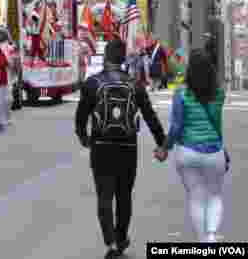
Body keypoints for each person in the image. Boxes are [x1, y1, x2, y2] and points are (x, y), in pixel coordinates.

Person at [75, 38, 167, 258]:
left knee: (104, 195)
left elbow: (80, 116)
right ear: (124, 58)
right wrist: (162, 142)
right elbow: (149, 116)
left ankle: (111, 244)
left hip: (101, 146)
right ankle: (121, 237)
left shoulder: (92, 83)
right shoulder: (135, 85)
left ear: (105, 57)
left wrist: (84, 137)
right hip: (127, 146)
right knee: (124, 195)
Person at [164, 49, 228, 243]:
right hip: (213, 150)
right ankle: (211, 236)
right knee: (215, 195)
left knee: (196, 196)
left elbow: (176, 126)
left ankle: (202, 241)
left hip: (187, 151)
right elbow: (217, 123)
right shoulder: (218, 94)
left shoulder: (181, 93)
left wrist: (164, 148)